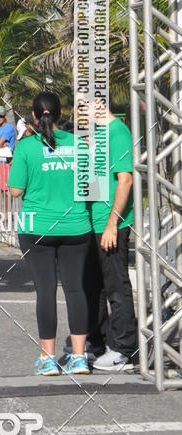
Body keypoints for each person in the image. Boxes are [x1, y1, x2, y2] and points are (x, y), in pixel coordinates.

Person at [8, 91, 93, 376]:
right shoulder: (79, 144)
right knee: (75, 289)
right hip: (77, 226)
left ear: (34, 117)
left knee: (45, 290)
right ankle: (80, 357)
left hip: (37, 228)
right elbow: (90, 185)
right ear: (60, 115)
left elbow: (16, 190)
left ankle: (48, 358)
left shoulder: (27, 147)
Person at [82, 97, 137, 372]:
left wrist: (113, 223)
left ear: (98, 102)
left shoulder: (117, 132)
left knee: (116, 285)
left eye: (84, 104)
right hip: (93, 222)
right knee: (96, 287)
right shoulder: (97, 135)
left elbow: (125, 179)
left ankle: (124, 350)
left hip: (111, 223)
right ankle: (101, 343)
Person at [0, 106, 16, 212]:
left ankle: (8, 214)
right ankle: (7, 213)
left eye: (0, 115)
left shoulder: (9, 128)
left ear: (5, 116)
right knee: (1, 189)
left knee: (6, 190)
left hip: (5, 162)